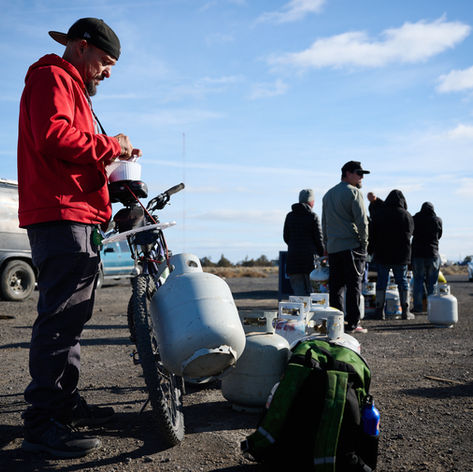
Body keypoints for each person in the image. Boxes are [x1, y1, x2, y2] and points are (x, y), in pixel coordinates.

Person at [17, 18, 141, 458]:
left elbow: (73, 146)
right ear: (81, 48)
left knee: (72, 317)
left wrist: (113, 165)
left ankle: (63, 405)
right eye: (105, 62)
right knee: (60, 317)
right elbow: (54, 136)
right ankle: (43, 422)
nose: (107, 72)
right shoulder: (52, 76)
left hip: (76, 212)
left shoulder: (71, 86)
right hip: (60, 213)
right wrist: (112, 146)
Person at [322, 161, 370, 334]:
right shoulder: (354, 193)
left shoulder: (328, 195)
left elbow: (324, 222)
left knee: (336, 287)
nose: (361, 177)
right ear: (347, 173)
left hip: (334, 247)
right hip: (352, 246)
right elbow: (362, 220)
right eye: (359, 173)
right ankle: (353, 323)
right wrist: (364, 243)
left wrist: (326, 245)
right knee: (354, 285)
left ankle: (336, 323)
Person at [370, 190, 414, 320]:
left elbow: (373, 233)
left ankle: (379, 311)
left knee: (382, 282)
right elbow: (410, 234)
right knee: (402, 282)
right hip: (401, 256)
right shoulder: (406, 215)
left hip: (383, 254)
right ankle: (405, 311)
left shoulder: (380, 214)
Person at [283, 189, 325, 296]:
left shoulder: (290, 216)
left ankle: (300, 312)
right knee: (312, 293)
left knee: (299, 295)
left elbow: (286, 237)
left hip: (293, 260)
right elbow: (319, 240)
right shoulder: (312, 216)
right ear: (311, 202)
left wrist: (294, 246)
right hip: (310, 261)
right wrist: (323, 256)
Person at [411, 202, 443, 313]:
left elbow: (411, 232)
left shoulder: (415, 218)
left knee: (418, 281)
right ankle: (432, 307)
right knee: (432, 283)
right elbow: (439, 235)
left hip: (418, 254)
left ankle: (418, 307)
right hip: (432, 254)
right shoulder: (437, 220)